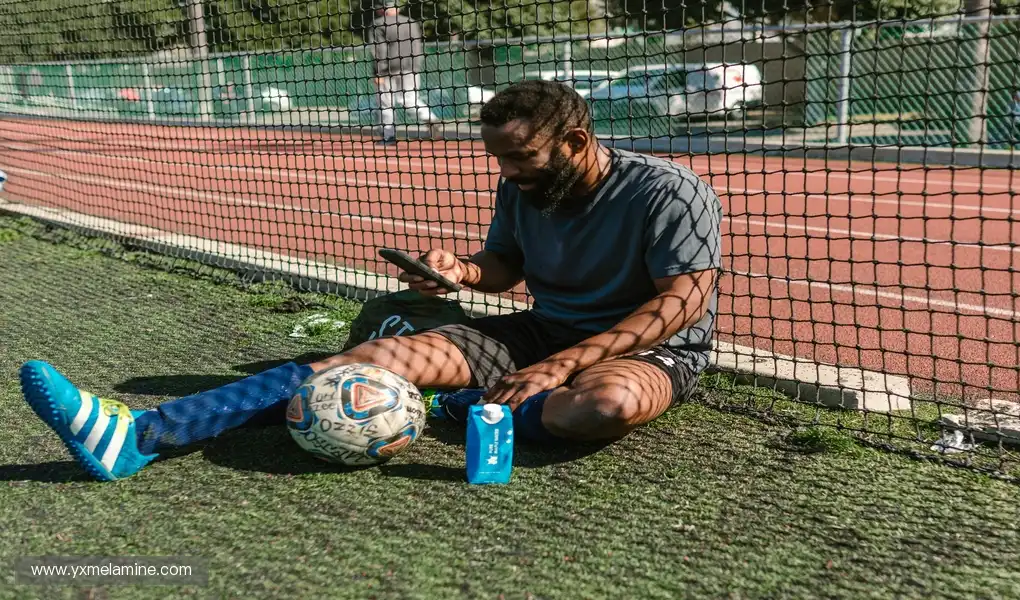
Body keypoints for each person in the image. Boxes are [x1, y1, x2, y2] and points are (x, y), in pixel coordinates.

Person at [18, 80, 724, 482]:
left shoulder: (667, 190)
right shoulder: (523, 189)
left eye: (522, 157)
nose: (507, 172)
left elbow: (681, 301)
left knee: (600, 408)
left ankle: (455, 407)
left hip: (651, 352)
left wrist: (566, 365)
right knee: (368, 359)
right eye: (498, 159)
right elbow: (504, 268)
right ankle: (141, 434)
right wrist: (462, 272)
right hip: (540, 332)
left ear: (574, 143)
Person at [370, 0, 437, 143]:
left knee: (386, 104)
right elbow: (417, 45)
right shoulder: (411, 22)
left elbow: (379, 50)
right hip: (411, 67)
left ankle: (389, 137)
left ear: (384, 9)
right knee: (410, 100)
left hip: (388, 69)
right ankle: (429, 117)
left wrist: (378, 72)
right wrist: (416, 66)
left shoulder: (379, 24)